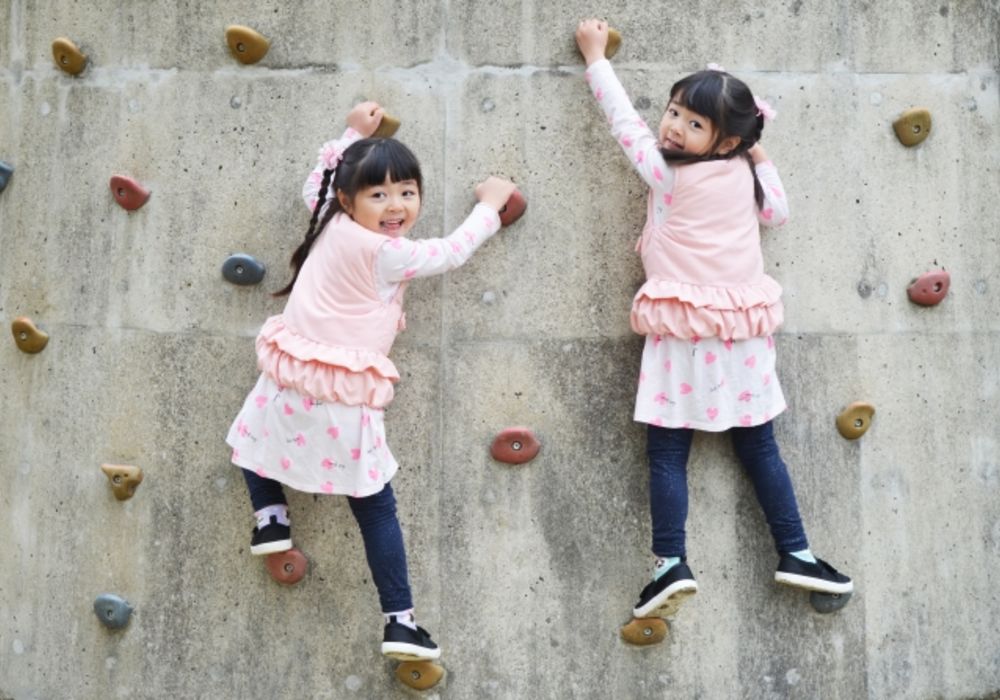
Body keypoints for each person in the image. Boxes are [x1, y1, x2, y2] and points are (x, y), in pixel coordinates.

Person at [574, 19, 853, 620]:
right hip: (744, 332)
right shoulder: (745, 171)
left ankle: (670, 562)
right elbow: (777, 212)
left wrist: (596, 58)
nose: (672, 125)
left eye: (693, 123)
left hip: (682, 331)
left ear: (722, 139)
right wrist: (757, 150)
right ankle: (796, 551)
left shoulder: (666, 173)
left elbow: (623, 122)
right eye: (674, 111)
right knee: (760, 449)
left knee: (669, 453)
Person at [226, 101, 517, 660]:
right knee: (376, 507)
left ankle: (270, 518)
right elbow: (451, 253)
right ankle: (400, 621)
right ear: (349, 200)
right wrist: (490, 205)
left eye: (407, 192)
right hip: (343, 393)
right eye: (379, 194)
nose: (395, 206)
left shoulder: (330, 218)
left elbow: (317, 181)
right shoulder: (387, 252)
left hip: (289, 371)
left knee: (249, 441)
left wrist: (352, 132)